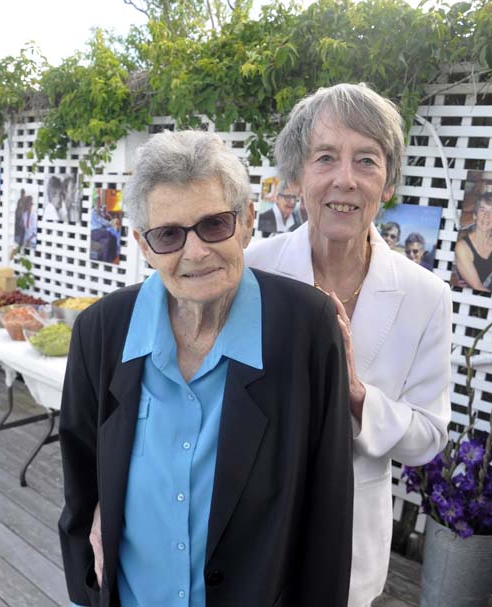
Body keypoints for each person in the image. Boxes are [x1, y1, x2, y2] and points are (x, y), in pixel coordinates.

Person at [59, 130, 354, 607]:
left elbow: (329, 509)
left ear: (245, 224)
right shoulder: (101, 330)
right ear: (144, 245)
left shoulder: (306, 330)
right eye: (169, 235)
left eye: (214, 224)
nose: (195, 252)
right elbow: (80, 479)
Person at [245, 83, 452, 607]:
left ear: (387, 183)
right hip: (247, 530)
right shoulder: (252, 269)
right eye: (325, 158)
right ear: (297, 175)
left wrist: (358, 397)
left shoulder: (426, 296)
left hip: (351, 548)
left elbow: (428, 437)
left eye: (367, 160)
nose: (346, 179)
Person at [454, 193, 492, 291]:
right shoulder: (462, 247)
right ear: (475, 215)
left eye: (491, 211)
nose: (487, 216)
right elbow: (478, 287)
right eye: (482, 210)